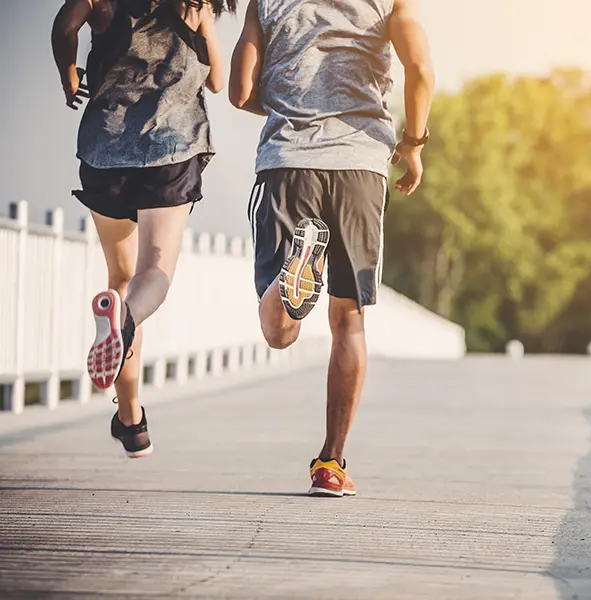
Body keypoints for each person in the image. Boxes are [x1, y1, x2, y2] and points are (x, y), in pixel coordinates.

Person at [229, 0, 434, 496]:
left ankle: (293, 271)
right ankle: (331, 463)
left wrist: (289, 103)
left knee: (280, 333)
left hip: (287, 163)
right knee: (349, 320)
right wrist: (413, 143)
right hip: (360, 165)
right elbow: (421, 69)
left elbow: (240, 91)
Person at [51, 0, 236, 458]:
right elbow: (217, 80)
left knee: (120, 280)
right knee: (152, 274)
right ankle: (125, 322)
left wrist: (69, 74)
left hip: (104, 152)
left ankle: (131, 421)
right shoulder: (195, 5)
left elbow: (64, 25)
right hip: (171, 150)